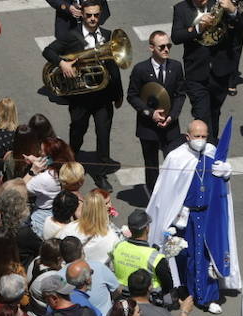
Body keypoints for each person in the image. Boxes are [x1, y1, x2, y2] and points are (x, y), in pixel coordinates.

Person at [145, 118, 239, 315]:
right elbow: (167, 191)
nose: (201, 140)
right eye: (197, 136)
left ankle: (207, 297)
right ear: (188, 137)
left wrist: (226, 174)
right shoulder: (176, 157)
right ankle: (185, 291)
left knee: (207, 255)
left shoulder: (212, 152)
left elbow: (220, 180)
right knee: (184, 256)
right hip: (184, 217)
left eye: (204, 136)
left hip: (207, 214)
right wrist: (168, 219)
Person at [41, 1, 122, 189]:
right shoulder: (71, 36)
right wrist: (62, 63)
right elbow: (48, 51)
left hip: (103, 97)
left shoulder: (109, 36)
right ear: (82, 15)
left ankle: (101, 174)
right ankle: (71, 165)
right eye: (89, 15)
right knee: (77, 132)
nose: (93, 19)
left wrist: (118, 94)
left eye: (96, 15)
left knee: (103, 135)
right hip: (81, 99)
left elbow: (114, 69)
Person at [171, 0, 243, 132]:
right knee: (201, 114)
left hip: (220, 71)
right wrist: (198, 28)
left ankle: (211, 144)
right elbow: (176, 36)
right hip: (195, 72)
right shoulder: (181, 8)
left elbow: (241, 28)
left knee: (214, 112)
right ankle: (207, 144)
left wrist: (232, 11)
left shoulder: (220, 3)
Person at [127, 30, 185, 193]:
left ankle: (174, 193)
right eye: (162, 47)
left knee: (174, 163)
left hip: (170, 126)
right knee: (151, 165)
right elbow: (132, 96)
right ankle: (153, 196)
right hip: (148, 127)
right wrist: (150, 113)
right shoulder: (141, 69)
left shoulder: (176, 67)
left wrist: (172, 116)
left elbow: (180, 94)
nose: (166, 49)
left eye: (168, 46)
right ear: (151, 47)